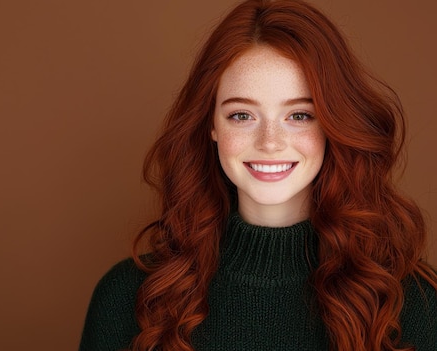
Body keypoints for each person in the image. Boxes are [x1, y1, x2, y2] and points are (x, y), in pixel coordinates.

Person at [79, 0, 437, 350]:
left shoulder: (413, 304)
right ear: (211, 125)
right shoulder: (126, 298)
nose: (270, 143)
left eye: (299, 115)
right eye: (242, 115)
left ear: (333, 124)